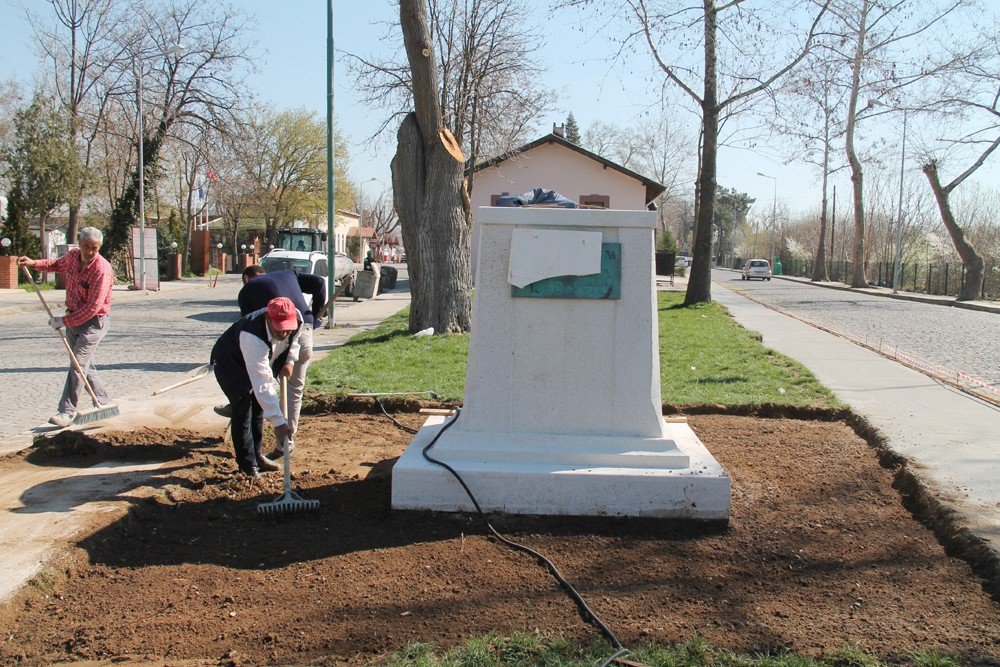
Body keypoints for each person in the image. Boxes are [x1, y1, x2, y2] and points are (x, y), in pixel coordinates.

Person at [18, 227, 114, 427]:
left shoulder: (102, 270)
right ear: (79, 244)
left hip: (94, 323)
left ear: (99, 247)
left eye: (94, 248)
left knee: (77, 365)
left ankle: (67, 411)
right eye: (86, 247)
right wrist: (33, 263)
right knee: (84, 366)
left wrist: (62, 321)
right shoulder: (72, 257)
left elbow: (92, 308)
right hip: (73, 318)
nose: (89, 252)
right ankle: (104, 402)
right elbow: (55, 264)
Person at [234, 265, 324, 455]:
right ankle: (287, 441)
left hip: (284, 334)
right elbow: (320, 282)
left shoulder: (246, 291)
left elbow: (250, 330)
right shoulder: (289, 273)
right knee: (294, 389)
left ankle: (280, 432)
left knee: (263, 380)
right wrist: (315, 316)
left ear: (245, 278)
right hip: (304, 327)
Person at [211, 296, 302, 479]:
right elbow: (262, 383)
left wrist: (289, 362)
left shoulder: (296, 318)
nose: (284, 333)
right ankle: (247, 465)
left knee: (258, 408)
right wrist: (278, 423)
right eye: (280, 329)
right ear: (268, 319)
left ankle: (258, 456)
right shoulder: (252, 336)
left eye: (287, 329)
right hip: (231, 364)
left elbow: (294, 341)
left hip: (258, 362)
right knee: (243, 410)